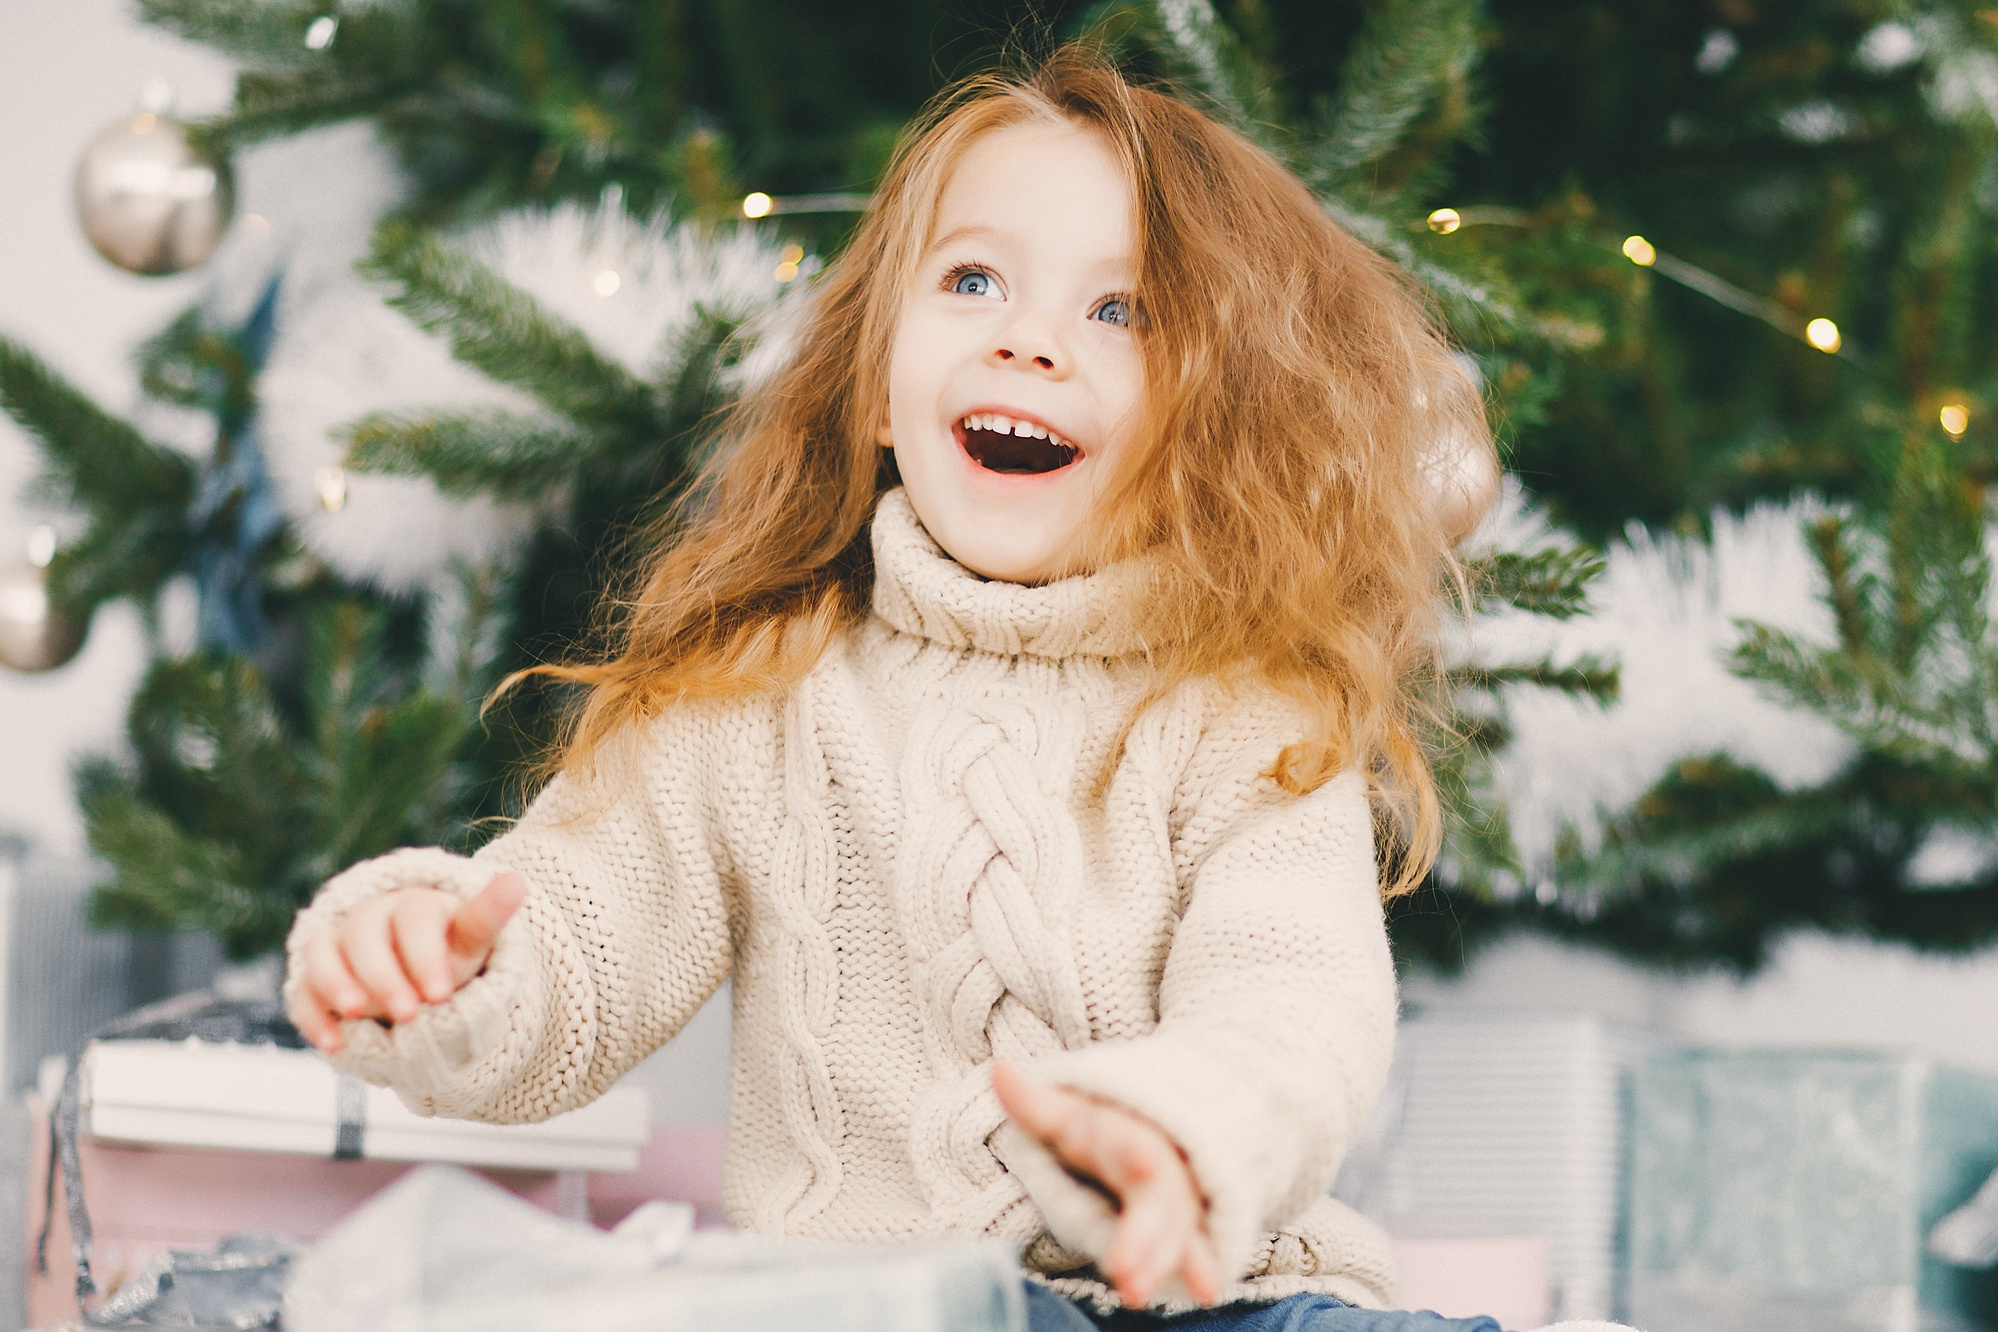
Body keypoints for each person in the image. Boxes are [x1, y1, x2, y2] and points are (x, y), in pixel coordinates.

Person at [283, 46, 1621, 1332]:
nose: (1030, 342)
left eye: (1119, 311)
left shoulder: (1247, 714)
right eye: (973, 281)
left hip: (1217, 1296)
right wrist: (440, 963)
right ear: (871, 383)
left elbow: (1295, 1005)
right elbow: (585, 929)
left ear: (1212, 424)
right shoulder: (755, 690)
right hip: (884, 1302)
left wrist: (1174, 1128)